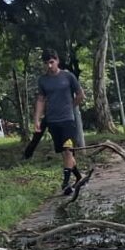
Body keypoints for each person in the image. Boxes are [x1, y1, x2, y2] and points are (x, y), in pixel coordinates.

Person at [32, 49, 87, 196]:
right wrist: (37, 119)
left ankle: (65, 183)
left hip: (68, 120)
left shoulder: (68, 76)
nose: (49, 66)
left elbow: (80, 95)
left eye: (51, 62)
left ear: (57, 61)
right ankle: (79, 177)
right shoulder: (43, 80)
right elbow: (41, 100)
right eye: (46, 63)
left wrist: (71, 105)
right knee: (64, 153)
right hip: (52, 121)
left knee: (68, 149)